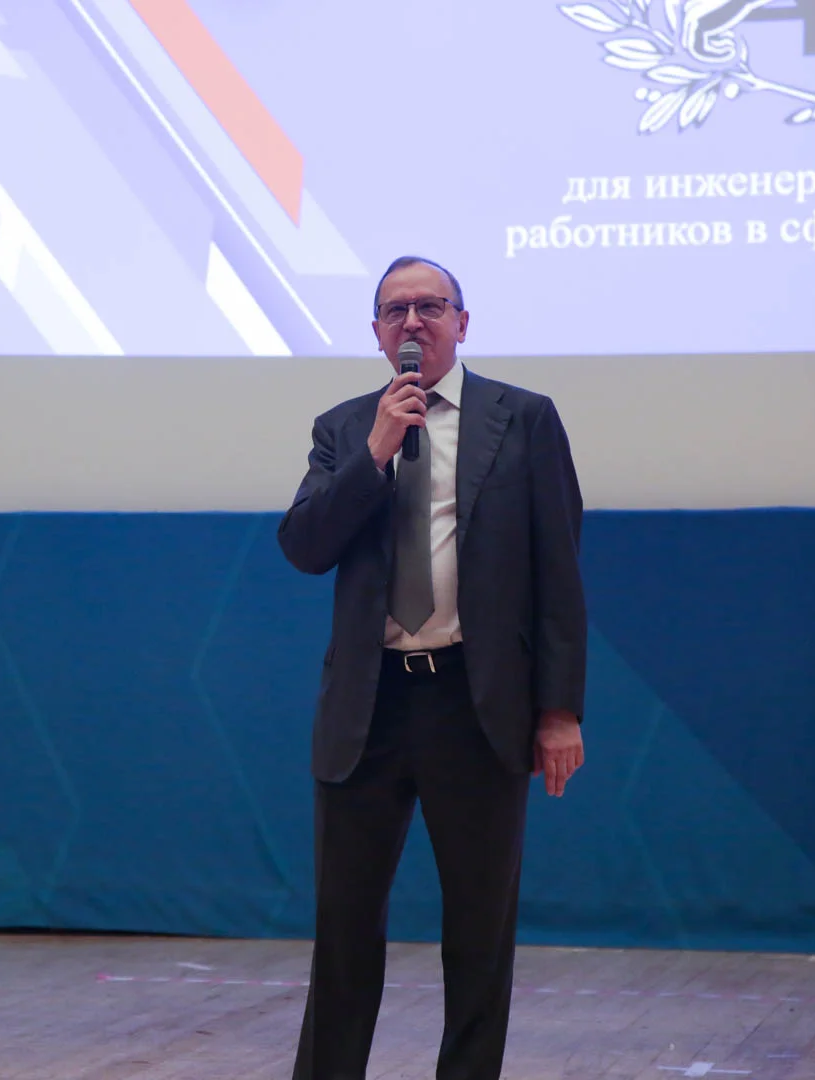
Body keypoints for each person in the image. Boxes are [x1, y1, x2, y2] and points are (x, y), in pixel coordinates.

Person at [278, 256, 588, 1080]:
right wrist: (375, 452)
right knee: (345, 930)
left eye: (429, 306)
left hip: (475, 703)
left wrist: (559, 711)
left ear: (462, 322)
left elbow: (558, 574)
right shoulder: (346, 427)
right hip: (369, 707)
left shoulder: (524, 419)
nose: (412, 322)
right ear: (377, 333)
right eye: (395, 311)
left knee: (480, 931)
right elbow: (305, 547)